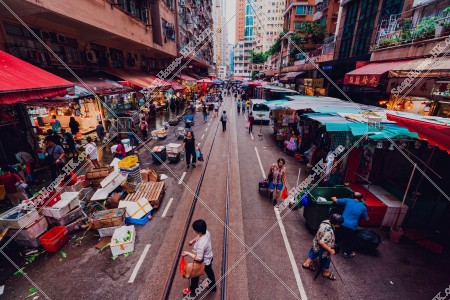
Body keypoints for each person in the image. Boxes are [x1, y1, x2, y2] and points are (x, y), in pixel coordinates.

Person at [302, 214, 344, 281]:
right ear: (336, 224)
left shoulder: (325, 221)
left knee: (313, 252)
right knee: (326, 260)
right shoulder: (329, 231)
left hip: (316, 243)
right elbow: (322, 242)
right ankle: (326, 273)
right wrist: (330, 250)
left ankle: (306, 264)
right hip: (323, 248)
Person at [182, 219, 216, 296]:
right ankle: (213, 286)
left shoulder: (201, 244)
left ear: (197, 231)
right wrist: (193, 241)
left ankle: (191, 290)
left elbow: (199, 259)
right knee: (210, 272)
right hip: (209, 257)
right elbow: (199, 235)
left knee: (194, 274)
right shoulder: (206, 232)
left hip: (203, 261)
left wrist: (187, 253)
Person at [331, 192, 369, 258]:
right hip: (352, 227)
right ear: (361, 199)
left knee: (337, 235)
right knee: (350, 240)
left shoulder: (348, 200)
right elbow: (367, 219)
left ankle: (332, 246)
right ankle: (347, 253)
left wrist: (333, 197)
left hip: (342, 223)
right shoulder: (363, 207)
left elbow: (335, 200)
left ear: (353, 196)